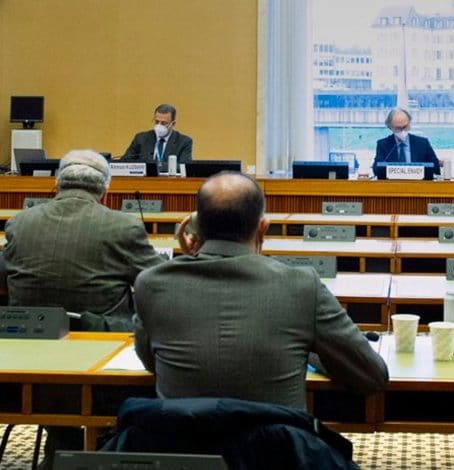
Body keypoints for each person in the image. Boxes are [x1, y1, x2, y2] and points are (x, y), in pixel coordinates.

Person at [132, 172, 389, 410]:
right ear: (263, 228)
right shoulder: (301, 286)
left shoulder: (151, 284)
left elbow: (152, 362)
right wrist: (309, 346)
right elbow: (372, 376)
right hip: (276, 443)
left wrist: (196, 258)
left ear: (195, 227)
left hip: (183, 444)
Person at [2, 149, 165, 469]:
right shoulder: (122, 226)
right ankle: (97, 445)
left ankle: (62, 442)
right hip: (103, 368)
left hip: (27, 367)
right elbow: (158, 283)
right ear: (106, 192)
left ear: (55, 186)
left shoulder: (20, 223)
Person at [123, 103, 193, 173]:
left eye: (164, 123)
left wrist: (156, 166)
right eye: (157, 122)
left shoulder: (184, 142)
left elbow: (185, 167)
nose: (159, 126)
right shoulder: (141, 138)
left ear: (173, 124)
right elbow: (125, 161)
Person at [372, 107, 440, 176]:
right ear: (390, 127)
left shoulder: (423, 143)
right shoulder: (383, 144)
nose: (402, 131)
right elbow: (376, 170)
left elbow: (436, 168)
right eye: (398, 128)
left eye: (405, 127)